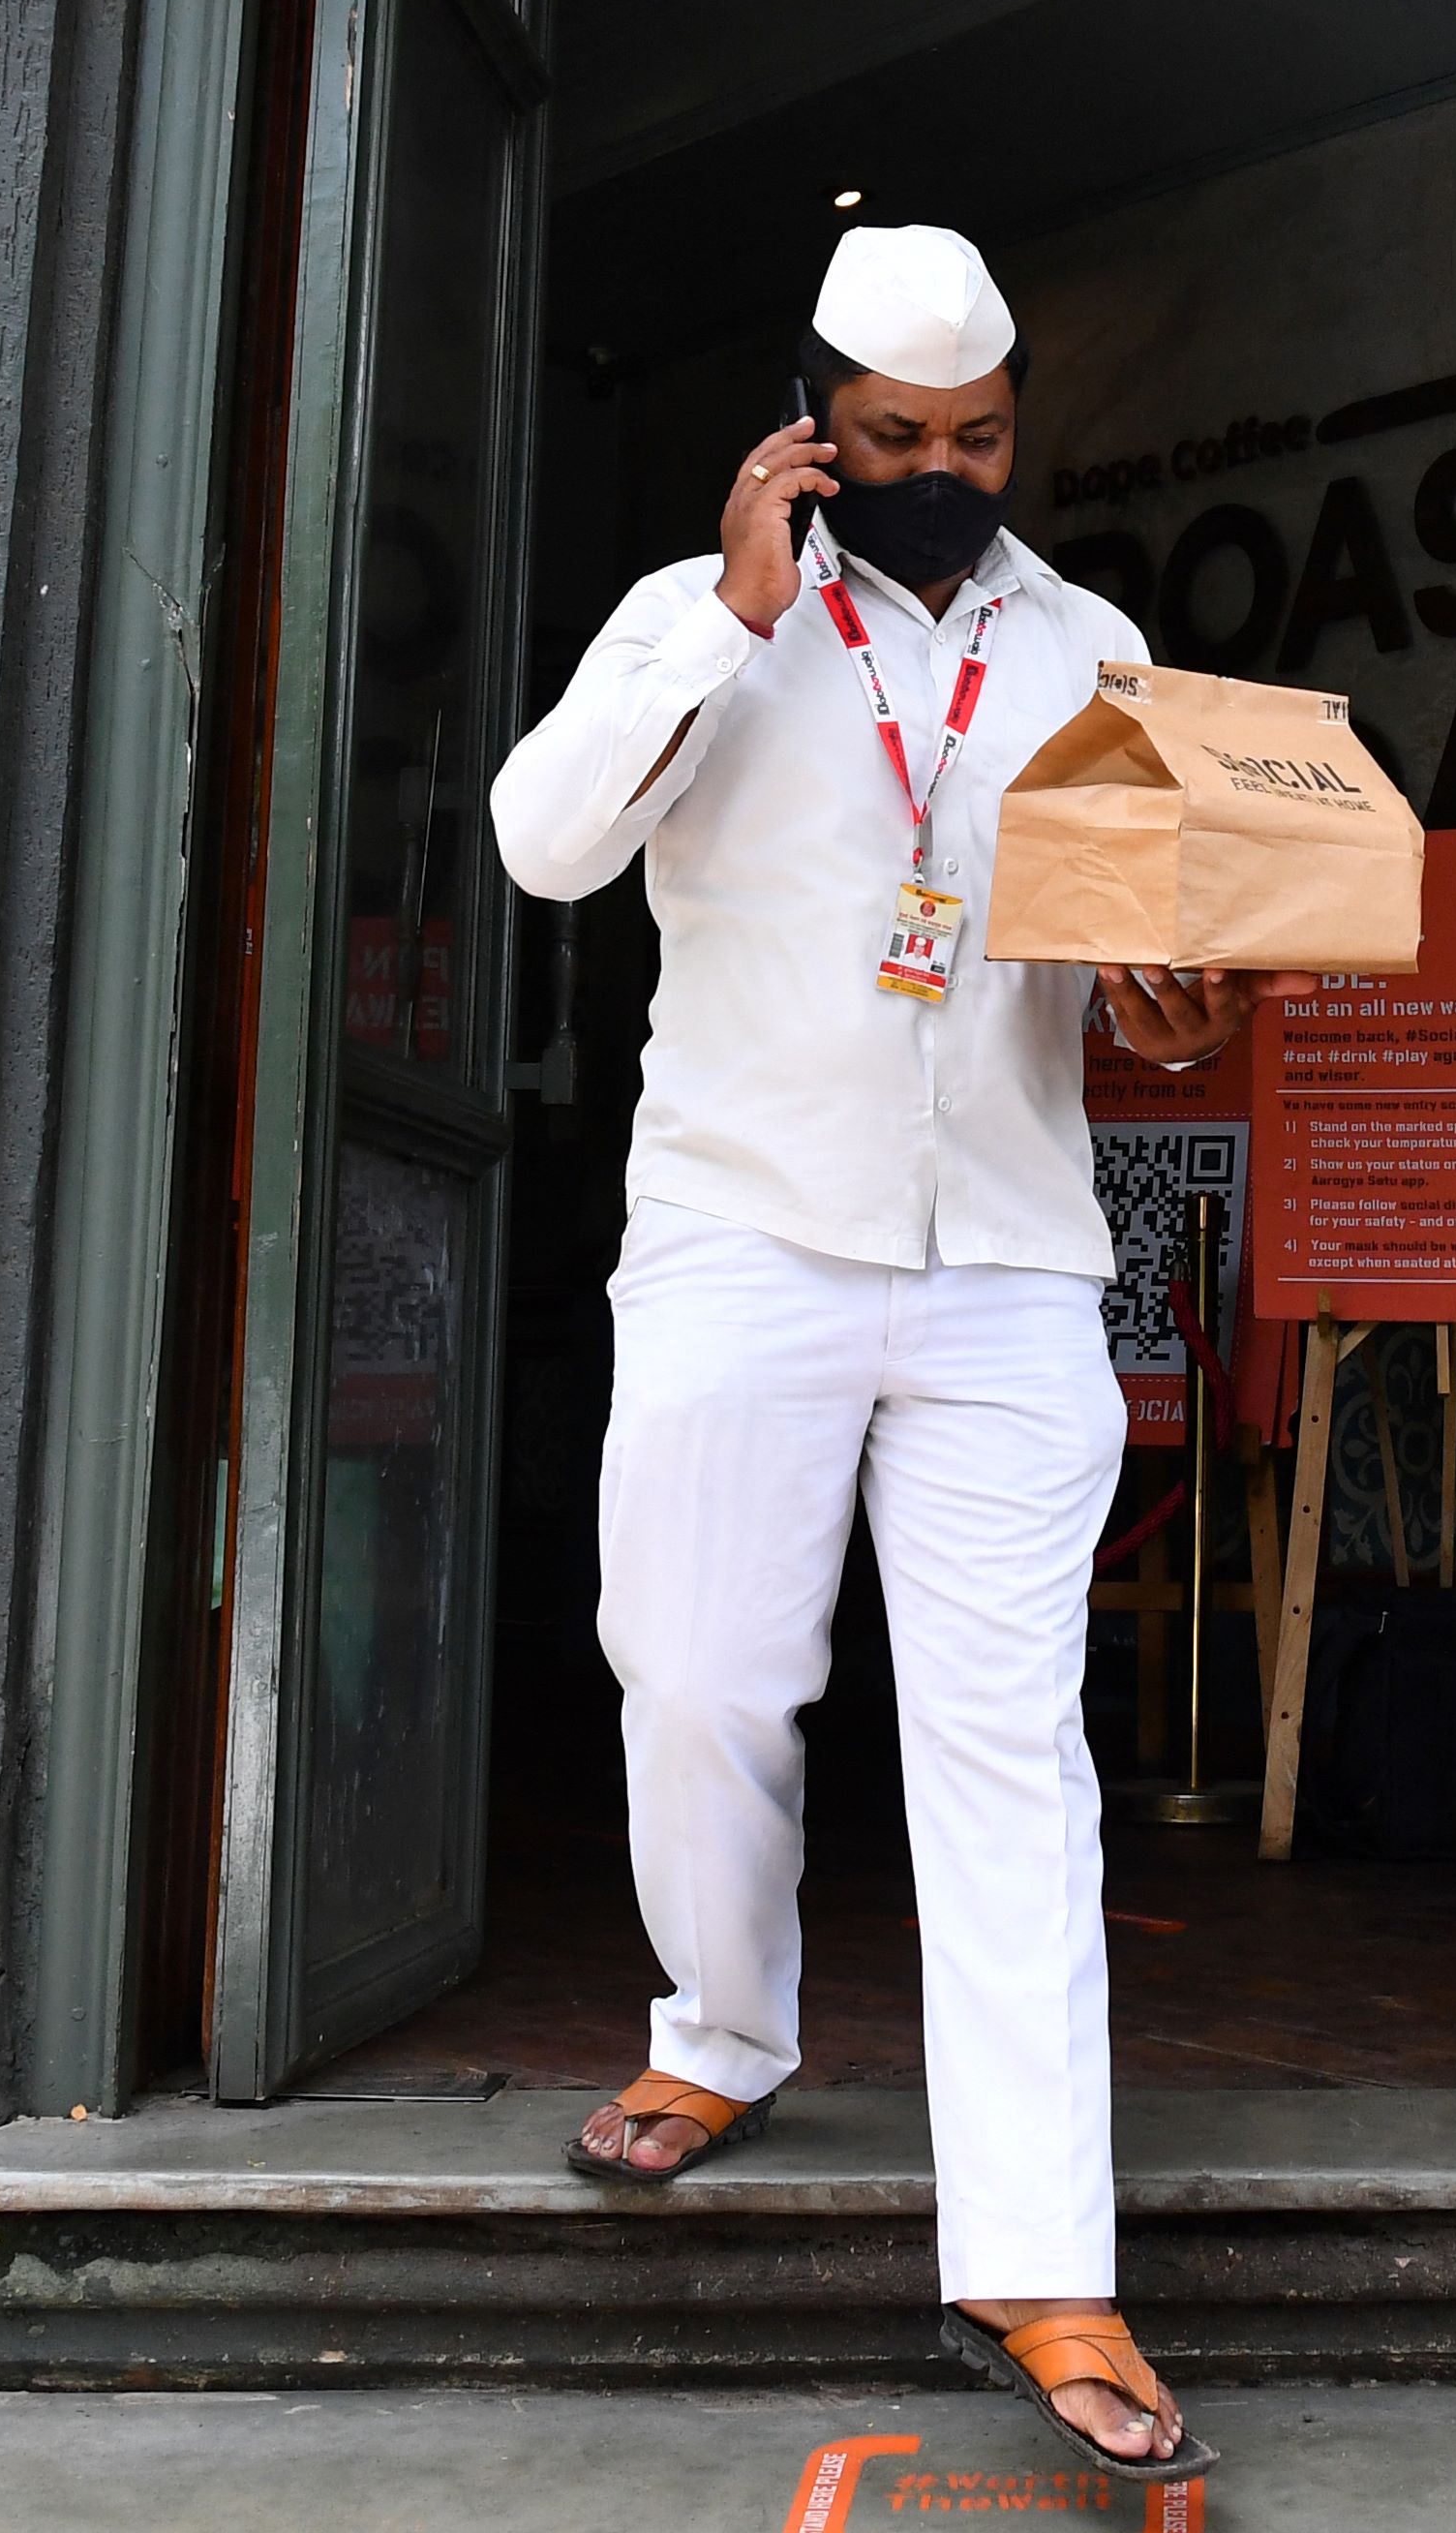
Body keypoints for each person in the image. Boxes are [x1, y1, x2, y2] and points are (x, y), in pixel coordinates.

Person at [485, 222, 1243, 2483]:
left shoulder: (1091, 647)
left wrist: (1175, 1005)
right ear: (818, 417)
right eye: (898, 438)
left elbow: (1136, 962)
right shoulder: (692, 617)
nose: (943, 470)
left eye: (982, 436)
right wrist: (728, 606)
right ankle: (721, 2027)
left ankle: (1044, 2255)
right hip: (743, 1230)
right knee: (700, 1669)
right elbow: (540, 846)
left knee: (1011, 1746)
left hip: (1011, 1254)